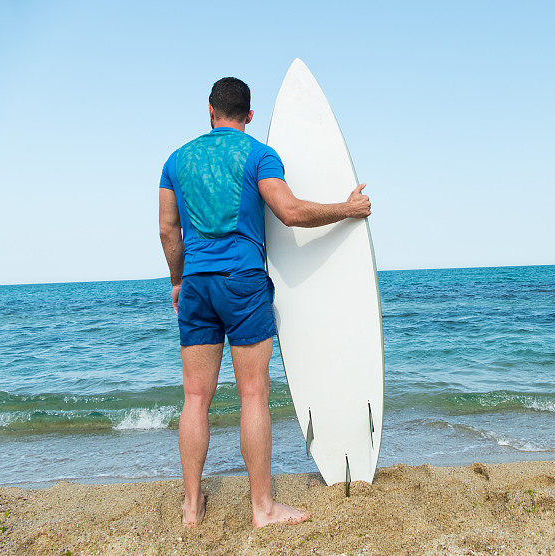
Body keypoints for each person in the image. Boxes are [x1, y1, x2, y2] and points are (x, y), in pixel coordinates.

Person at [158, 77, 371, 528]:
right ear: (249, 116)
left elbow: (166, 230)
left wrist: (178, 280)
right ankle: (262, 508)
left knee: (195, 397)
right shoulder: (257, 155)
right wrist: (347, 209)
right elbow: (289, 212)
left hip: (196, 283)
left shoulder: (175, 161)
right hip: (242, 281)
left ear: (210, 111)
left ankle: (192, 506)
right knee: (253, 393)